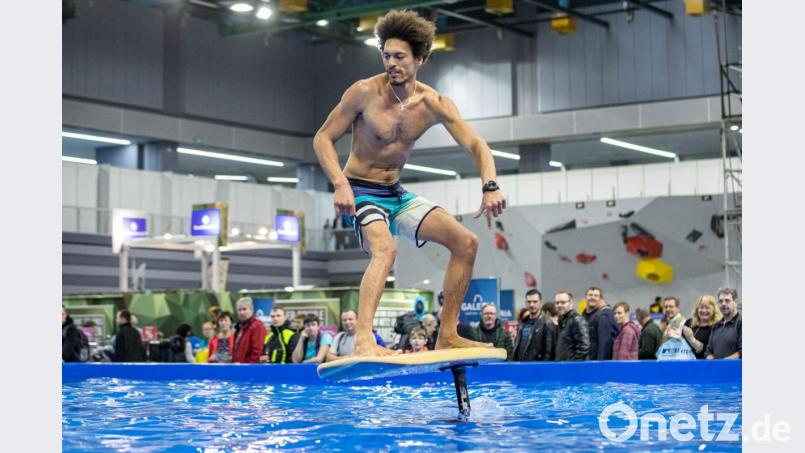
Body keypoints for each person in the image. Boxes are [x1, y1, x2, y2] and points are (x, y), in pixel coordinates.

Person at [312, 10, 506, 357]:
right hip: (360, 189)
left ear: (420, 58)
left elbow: (478, 145)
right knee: (385, 249)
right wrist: (339, 183)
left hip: (395, 193)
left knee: (466, 242)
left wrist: (490, 185)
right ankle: (364, 340)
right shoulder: (363, 92)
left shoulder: (433, 103)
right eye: (386, 55)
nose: (391, 63)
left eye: (399, 56)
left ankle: (447, 334)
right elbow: (323, 138)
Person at [512, 289, 555, 362]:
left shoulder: (547, 323)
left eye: (535, 302)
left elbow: (549, 352)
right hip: (520, 366)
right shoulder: (523, 323)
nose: (532, 304)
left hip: (538, 368)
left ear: (541, 303)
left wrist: (543, 369)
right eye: (529, 302)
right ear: (525, 303)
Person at [582, 287, 618, 361]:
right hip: (585, 361)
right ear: (585, 297)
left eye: (596, 296)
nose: (592, 297)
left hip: (595, 362)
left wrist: (600, 363)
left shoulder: (602, 317)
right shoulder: (583, 317)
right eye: (590, 295)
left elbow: (604, 343)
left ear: (600, 299)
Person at [681, 295, 722, 359]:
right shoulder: (689, 323)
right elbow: (682, 344)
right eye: (701, 308)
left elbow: (711, 351)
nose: (704, 310)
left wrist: (692, 339)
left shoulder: (718, 326)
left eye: (707, 308)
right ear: (697, 309)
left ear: (714, 310)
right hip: (686, 363)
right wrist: (676, 337)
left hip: (704, 364)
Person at [705, 288, 742, 359]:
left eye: (727, 300)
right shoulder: (716, 326)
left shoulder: (741, 323)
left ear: (735, 302)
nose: (723, 304)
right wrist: (710, 359)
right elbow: (708, 351)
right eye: (720, 301)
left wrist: (724, 363)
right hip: (717, 369)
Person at [554, 291, 590, 361]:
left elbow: (584, 346)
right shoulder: (562, 320)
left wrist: (574, 365)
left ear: (571, 303)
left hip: (573, 368)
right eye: (557, 303)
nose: (559, 305)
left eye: (562, 302)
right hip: (564, 365)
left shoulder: (577, 320)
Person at [232, 297, 267, 364]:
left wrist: (249, 368)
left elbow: (257, 351)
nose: (241, 312)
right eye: (239, 310)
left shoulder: (257, 326)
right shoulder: (239, 327)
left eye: (244, 309)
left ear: (251, 309)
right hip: (238, 366)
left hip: (249, 368)